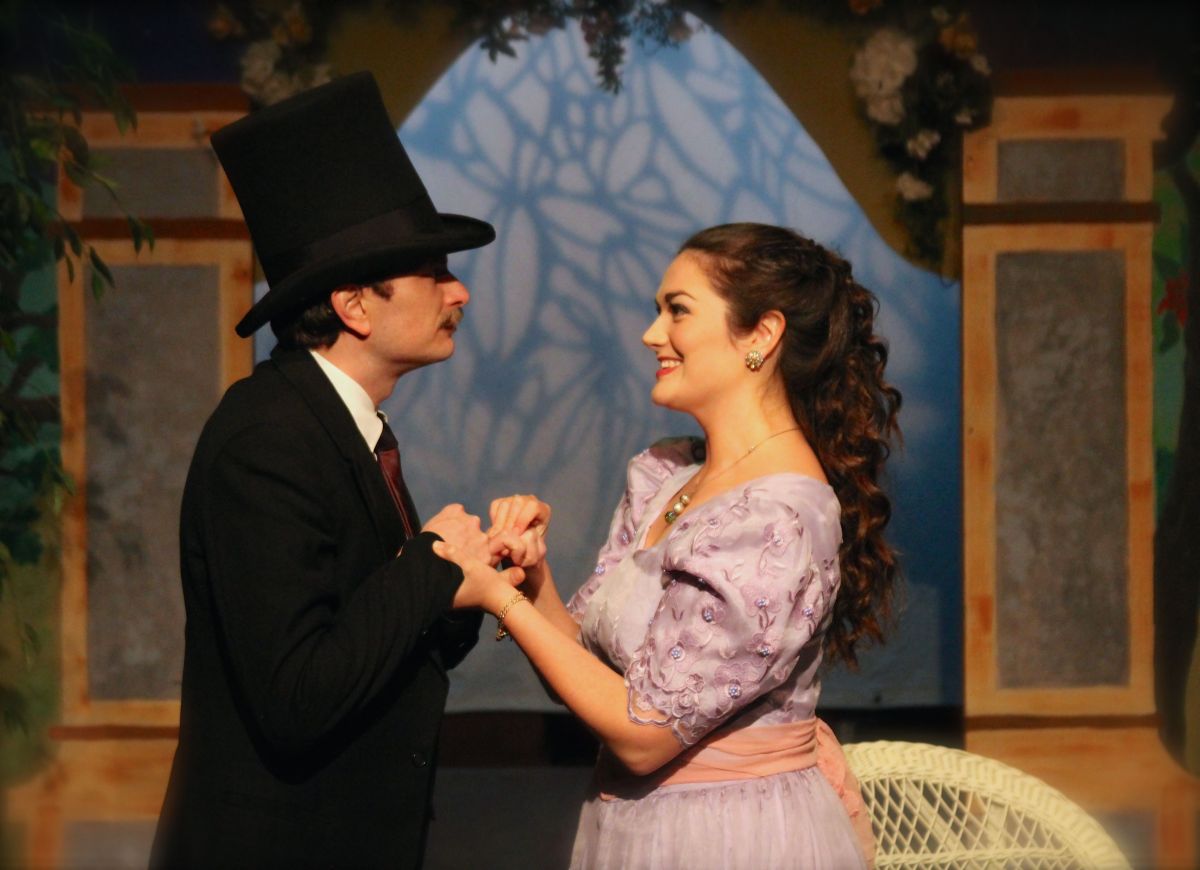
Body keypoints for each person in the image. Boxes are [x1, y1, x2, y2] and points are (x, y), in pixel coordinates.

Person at [151, 72, 524, 869]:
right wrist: (431, 564)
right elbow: (298, 696)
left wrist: (471, 579)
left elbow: (371, 640)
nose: (459, 292)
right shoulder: (269, 439)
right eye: (434, 273)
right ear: (355, 306)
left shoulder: (343, 426)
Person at [443, 223, 900, 869]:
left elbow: (643, 736)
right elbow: (598, 680)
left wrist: (500, 601)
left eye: (677, 310)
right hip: (635, 822)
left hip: (726, 838)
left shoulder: (775, 518)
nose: (651, 333)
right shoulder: (667, 476)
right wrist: (530, 577)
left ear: (761, 335)